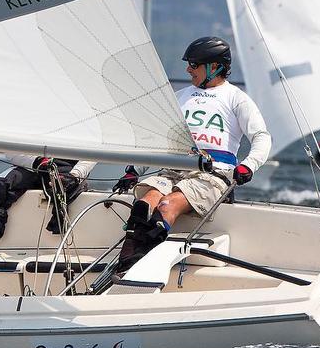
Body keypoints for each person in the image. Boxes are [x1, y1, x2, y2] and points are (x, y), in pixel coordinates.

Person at [112, 36, 271, 270]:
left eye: (194, 64)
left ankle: (142, 265)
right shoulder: (181, 96)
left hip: (212, 174)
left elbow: (261, 137)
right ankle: (126, 263)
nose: (188, 69)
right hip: (174, 169)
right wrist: (134, 170)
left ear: (214, 67)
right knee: (143, 206)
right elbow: (157, 140)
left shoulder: (236, 98)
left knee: (166, 206)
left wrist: (248, 166)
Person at [0, 155, 96, 239]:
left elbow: (92, 153)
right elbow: (11, 151)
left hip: (67, 167)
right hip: (32, 164)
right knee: (0, 184)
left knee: (65, 185)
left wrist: (75, 175)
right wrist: (37, 162)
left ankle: (57, 228)